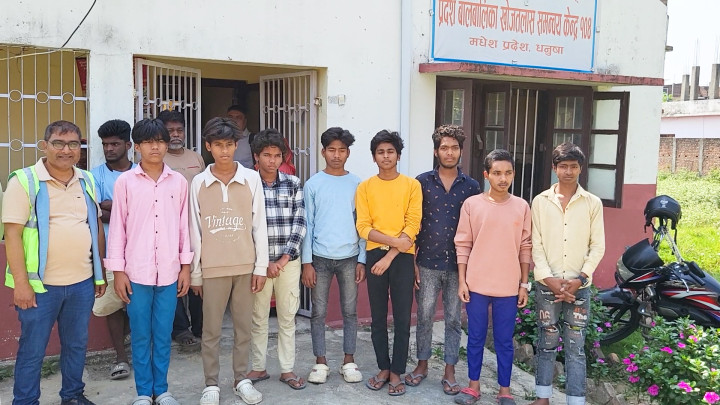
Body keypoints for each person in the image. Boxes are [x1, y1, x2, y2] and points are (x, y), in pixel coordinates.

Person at [3, 120, 106, 405]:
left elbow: (95, 225)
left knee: (76, 345)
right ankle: (26, 401)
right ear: (44, 146)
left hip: (81, 283)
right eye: (58, 143)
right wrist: (22, 284)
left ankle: (72, 396)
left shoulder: (86, 180)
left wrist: (99, 273)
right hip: (40, 287)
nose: (66, 150)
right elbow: (12, 235)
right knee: (33, 350)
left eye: (73, 144)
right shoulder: (23, 181)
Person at [105, 118, 193, 405]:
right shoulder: (125, 182)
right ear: (137, 147)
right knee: (141, 334)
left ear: (167, 145)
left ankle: (162, 389)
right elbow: (117, 228)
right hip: (136, 272)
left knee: (163, 334)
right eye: (148, 142)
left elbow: (184, 227)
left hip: (169, 271)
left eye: (160, 141)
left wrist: (185, 267)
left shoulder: (178, 182)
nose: (155, 147)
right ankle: (144, 392)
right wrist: (118, 271)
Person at [188, 117, 268, 405]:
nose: (224, 151)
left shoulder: (251, 179)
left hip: (245, 266)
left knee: (243, 328)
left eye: (229, 145)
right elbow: (194, 229)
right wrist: (196, 273)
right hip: (212, 268)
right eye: (218, 145)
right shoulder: (199, 182)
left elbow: (259, 224)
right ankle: (211, 383)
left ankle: (241, 379)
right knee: (210, 331)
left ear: (237, 146)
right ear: (208, 146)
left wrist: (260, 266)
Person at [453, 149, 532, 405]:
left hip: (508, 286)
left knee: (504, 340)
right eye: (497, 173)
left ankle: (504, 390)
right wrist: (462, 281)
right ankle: (473, 386)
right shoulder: (472, 205)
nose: (503, 178)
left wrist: (523, 284)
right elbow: (463, 244)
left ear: (514, 174)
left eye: (508, 173)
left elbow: (525, 247)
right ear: (486, 175)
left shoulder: (521, 207)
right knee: (475, 337)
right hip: (476, 283)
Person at [529, 143, 605, 405]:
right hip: (547, 285)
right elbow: (536, 244)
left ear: (581, 168)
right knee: (546, 341)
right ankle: (542, 398)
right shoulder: (540, 202)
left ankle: (575, 401)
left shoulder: (592, 203)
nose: (568, 171)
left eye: (573, 166)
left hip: (579, 287)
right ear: (554, 168)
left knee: (576, 347)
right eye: (563, 166)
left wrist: (580, 279)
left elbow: (598, 246)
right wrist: (549, 279)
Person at [407, 125, 480, 395]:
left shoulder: (471, 186)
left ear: (461, 151)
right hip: (426, 261)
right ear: (436, 151)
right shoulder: (421, 182)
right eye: (444, 148)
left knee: (452, 318)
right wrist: (413, 261)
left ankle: (450, 370)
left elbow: (475, 227)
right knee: (424, 315)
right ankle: (422, 365)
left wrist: (470, 269)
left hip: (458, 265)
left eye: (454, 148)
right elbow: (412, 222)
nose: (449, 152)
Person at [356, 130, 422, 397]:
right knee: (378, 316)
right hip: (375, 257)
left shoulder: (411, 186)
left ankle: (397, 371)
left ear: (398, 155)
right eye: (380, 152)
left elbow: (413, 224)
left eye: (390, 151)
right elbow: (363, 227)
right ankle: (383, 367)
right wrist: (393, 244)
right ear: (374, 157)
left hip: (402, 259)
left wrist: (391, 254)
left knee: (403, 317)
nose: (386, 156)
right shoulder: (365, 187)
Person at [301, 127, 366, 385]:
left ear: (348, 153)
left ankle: (349, 360)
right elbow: (308, 224)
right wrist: (307, 262)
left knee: (350, 311)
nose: (336, 155)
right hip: (319, 257)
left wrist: (362, 259)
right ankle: (320, 362)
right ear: (323, 152)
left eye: (341, 150)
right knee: (318, 312)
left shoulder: (358, 184)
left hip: (350, 257)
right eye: (331, 150)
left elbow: (363, 223)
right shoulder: (313, 184)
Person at [247, 129, 307, 390]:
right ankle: (258, 367)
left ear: (283, 157)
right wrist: (263, 263)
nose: (272, 161)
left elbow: (299, 223)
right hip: (258, 266)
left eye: (277, 155)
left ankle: (287, 369)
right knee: (258, 317)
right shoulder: (248, 184)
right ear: (256, 157)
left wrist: (283, 260)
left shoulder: (292, 183)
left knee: (287, 317)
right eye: (266, 155)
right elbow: (245, 227)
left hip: (288, 263)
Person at [90, 119, 136, 381]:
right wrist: (125, 208)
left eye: (115, 144)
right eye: (105, 144)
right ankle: (120, 357)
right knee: (111, 305)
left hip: (139, 251)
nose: (109, 149)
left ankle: (139, 351)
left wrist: (111, 206)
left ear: (128, 145)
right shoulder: (94, 175)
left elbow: (146, 212)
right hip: (108, 250)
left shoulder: (140, 172)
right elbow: (95, 212)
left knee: (137, 303)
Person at [157, 109, 205, 349]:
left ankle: (200, 326)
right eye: (170, 131)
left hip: (197, 228)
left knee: (197, 276)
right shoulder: (158, 159)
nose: (176, 134)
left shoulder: (196, 158)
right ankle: (181, 329)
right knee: (173, 278)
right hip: (169, 230)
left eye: (179, 130)